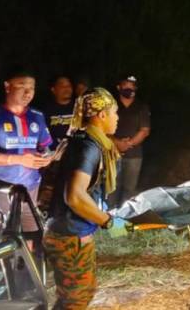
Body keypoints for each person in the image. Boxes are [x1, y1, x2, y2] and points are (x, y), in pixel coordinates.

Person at [44, 87, 120, 310]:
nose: (117, 118)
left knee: (74, 296)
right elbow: (75, 196)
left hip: (67, 231)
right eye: (114, 112)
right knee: (77, 299)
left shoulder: (78, 139)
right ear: (102, 115)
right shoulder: (88, 147)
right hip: (70, 235)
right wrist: (107, 221)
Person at [0, 67, 52, 231]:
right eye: (22, 86)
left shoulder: (37, 116)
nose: (28, 93)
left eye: (32, 88)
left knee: (29, 237)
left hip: (30, 189)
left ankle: (23, 258)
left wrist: (46, 157)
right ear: (7, 86)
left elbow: (46, 147)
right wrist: (19, 160)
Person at [109, 75, 150, 206]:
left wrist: (128, 144)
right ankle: (107, 217)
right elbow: (102, 130)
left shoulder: (141, 106)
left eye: (132, 85)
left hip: (134, 156)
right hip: (112, 154)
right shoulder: (110, 105)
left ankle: (123, 218)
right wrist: (118, 143)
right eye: (126, 84)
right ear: (119, 87)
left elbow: (145, 130)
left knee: (129, 189)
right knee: (111, 188)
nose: (129, 88)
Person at [44, 75, 74, 150]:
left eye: (68, 85)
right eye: (62, 86)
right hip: (55, 153)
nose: (67, 88)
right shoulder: (46, 110)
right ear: (53, 89)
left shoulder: (80, 107)